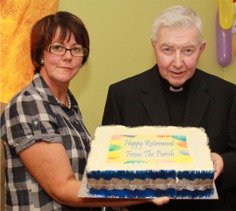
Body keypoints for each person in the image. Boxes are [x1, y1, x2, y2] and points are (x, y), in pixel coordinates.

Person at [0, 11, 170, 210]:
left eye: (76, 49)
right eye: (57, 48)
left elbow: (86, 178)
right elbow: (62, 188)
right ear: (40, 55)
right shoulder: (29, 104)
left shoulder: (68, 106)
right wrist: (144, 191)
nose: (68, 56)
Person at [102, 5, 236, 211]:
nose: (177, 62)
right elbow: (107, 170)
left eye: (188, 51)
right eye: (167, 50)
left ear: (201, 49)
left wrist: (222, 162)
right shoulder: (122, 94)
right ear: (154, 47)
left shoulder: (226, 93)